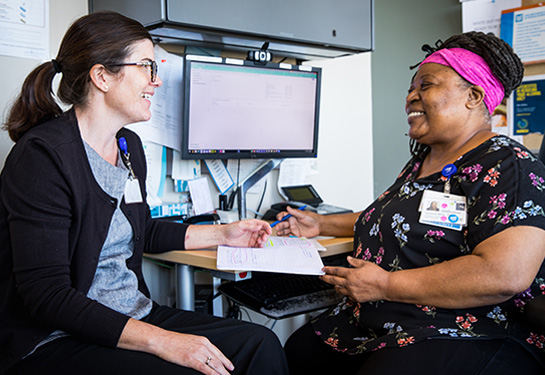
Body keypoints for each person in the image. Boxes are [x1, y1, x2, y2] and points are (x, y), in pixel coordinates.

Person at [0, 11, 288, 375]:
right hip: (55, 336)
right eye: (147, 67)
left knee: (259, 343)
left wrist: (224, 235)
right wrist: (163, 340)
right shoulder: (43, 156)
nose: (157, 81)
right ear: (102, 76)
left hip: (132, 314)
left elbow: (142, 230)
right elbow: (47, 297)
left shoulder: (128, 146)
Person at [277, 31, 545, 374]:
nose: (411, 98)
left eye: (426, 85)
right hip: (382, 322)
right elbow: (394, 216)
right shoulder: (423, 162)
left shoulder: (508, 164)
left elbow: (505, 273)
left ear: (473, 96)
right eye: (410, 88)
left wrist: (384, 285)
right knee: (297, 351)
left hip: (463, 328)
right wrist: (320, 223)